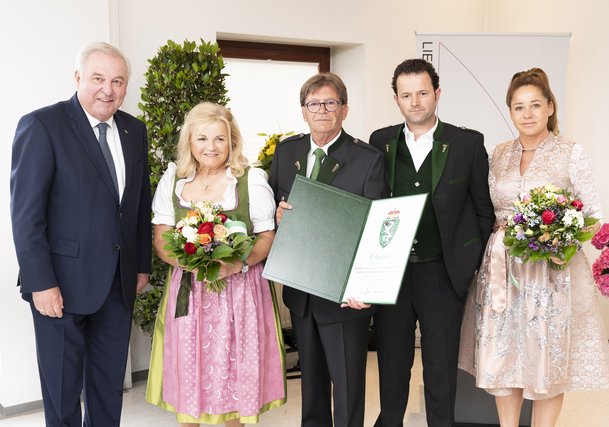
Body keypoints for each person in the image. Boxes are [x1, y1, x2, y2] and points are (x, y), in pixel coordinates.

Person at [458, 68, 609, 427]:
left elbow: (592, 213)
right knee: (504, 356)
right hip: (501, 268)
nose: (527, 113)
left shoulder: (570, 153)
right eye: (518, 106)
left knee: (546, 359)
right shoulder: (498, 153)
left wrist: (564, 242)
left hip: (551, 272)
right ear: (510, 111)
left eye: (534, 105)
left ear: (549, 107)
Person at [9, 42, 152, 426]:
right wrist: (41, 283)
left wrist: (141, 266)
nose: (108, 89)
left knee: (108, 388)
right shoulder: (42, 125)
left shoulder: (134, 130)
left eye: (118, 81)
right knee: (62, 389)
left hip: (118, 285)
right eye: (98, 78)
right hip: (60, 287)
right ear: (78, 78)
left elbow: (138, 205)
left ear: (126, 86)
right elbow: (26, 217)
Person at [369, 59, 495, 427]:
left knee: (440, 366)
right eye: (406, 95)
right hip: (391, 272)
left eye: (423, 93)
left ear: (437, 94)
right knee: (392, 363)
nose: (415, 102)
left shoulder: (467, 143)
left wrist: (468, 261)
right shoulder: (381, 141)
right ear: (396, 99)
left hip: (443, 272)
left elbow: (483, 211)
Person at [145, 102, 286, 426]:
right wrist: (188, 261)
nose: (211, 147)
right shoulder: (174, 180)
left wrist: (238, 264)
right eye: (202, 138)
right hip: (189, 294)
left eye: (219, 139)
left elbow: (267, 236)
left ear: (232, 141)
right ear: (189, 142)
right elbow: (161, 237)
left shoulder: (250, 180)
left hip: (239, 293)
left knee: (234, 381)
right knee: (190, 375)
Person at [268, 72, 388, 426]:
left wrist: (364, 286)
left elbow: (376, 229)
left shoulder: (368, 159)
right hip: (301, 294)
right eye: (314, 104)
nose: (322, 110)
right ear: (304, 111)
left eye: (330, 103)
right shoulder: (287, 151)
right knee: (312, 391)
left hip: (344, 296)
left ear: (344, 110)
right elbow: (272, 206)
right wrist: (276, 215)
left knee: (348, 388)